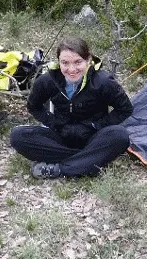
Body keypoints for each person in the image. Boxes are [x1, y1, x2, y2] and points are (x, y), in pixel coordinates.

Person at [10, 37, 133, 179]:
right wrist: (55, 123)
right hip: (61, 136)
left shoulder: (103, 81)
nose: (72, 69)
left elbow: (125, 109)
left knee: (120, 135)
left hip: (93, 137)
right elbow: (33, 106)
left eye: (78, 62)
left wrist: (95, 125)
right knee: (18, 136)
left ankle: (60, 169)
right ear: (58, 62)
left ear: (88, 60)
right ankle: (89, 160)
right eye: (65, 63)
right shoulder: (48, 80)